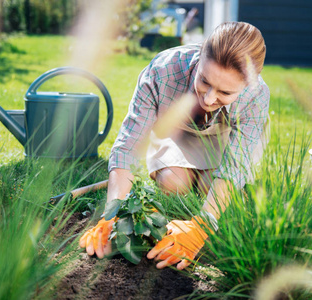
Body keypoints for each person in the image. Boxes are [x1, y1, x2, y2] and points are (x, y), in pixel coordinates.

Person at [79, 21, 270, 270]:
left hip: (225, 139)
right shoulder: (163, 71)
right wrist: (112, 212)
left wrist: (202, 225)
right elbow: (128, 147)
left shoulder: (256, 95)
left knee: (212, 187)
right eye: (204, 81)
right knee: (172, 183)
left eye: (225, 93)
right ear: (200, 54)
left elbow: (235, 166)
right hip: (181, 131)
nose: (209, 98)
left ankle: (210, 182)